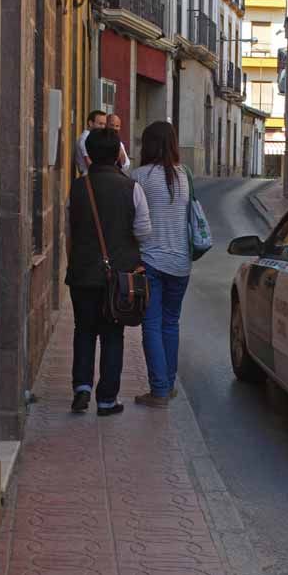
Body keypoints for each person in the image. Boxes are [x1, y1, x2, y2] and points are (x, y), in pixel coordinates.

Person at [65, 128, 152, 416]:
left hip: (82, 274)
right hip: (118, 277)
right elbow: (143, 231)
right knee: (113, 334)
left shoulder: (78, 188)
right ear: (118, 154)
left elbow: (70, 231)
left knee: (84, 330)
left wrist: (74, 262)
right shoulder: (131, 188)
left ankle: (81, 387)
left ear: (88, 155)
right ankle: (106, 400)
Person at [130, 121, 192, 408]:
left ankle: (159, 390)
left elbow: (133, 222)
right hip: (181, 264)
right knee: (171, 323)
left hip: (151, 261)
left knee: (151, 325)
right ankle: (168, 383)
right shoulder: (185, 176)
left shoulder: (139, 176)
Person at [75, 110, 107, 175]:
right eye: (100, 124)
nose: (103, 127)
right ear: (90, 123)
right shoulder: (85, 139)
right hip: (90, 176)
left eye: (104, 124)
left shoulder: (94, 137)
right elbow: (88, 162)